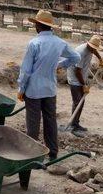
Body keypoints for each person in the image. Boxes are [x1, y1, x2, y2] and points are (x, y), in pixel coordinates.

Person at [17, 10, 80, 160]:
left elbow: (26, 70)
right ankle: (53, 152)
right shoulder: (60, 43)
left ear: (38, 25)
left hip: (33, 89)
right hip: (50, 89)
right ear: (50, 26)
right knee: (50, 120)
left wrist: (21, 88)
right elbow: (75, 57)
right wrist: (60, 65)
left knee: (33, 122)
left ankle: (31, 153)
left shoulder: (34, 43)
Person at [66, 34, 103, 134]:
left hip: (80, 76)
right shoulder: (81, 52)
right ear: (89, 45)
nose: (94, 50)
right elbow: (77, 71)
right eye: (94, 48)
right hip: (74, 78)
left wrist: (100, 59)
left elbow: (95, 51)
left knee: (81, 101)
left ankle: (76, 123)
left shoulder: (91, 48)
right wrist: (83, 85)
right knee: (78, 102)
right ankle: (73, 125)